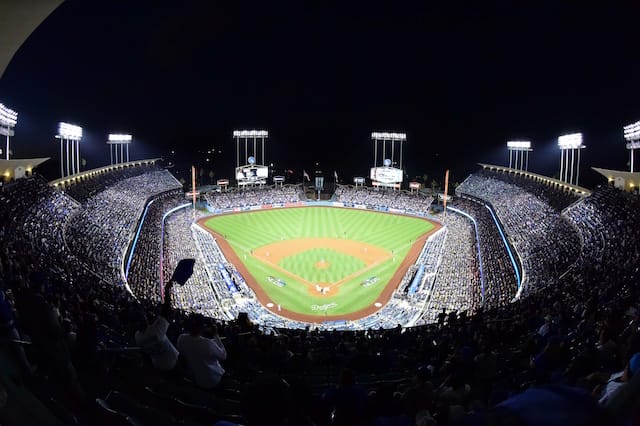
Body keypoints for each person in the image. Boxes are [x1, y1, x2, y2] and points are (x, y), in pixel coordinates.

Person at [134, 280, 179, 371]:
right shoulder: (156, 330)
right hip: (173, 361)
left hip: (157, 364)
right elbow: (166, 310)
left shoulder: (137, 337)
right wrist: (167, 290)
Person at [177, 314, 227, 389]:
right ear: (202, 327)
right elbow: (223, 356)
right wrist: (216, 335)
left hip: (196, 377)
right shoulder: (208, 343)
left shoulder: (181, 339)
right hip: (213, 380)